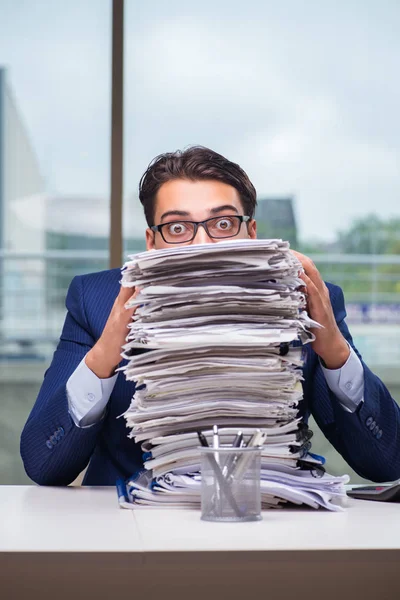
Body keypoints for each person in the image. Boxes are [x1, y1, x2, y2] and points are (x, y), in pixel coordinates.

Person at [21, 146, 400, 485]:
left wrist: (334, 349)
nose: (202, 246)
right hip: (132, 530)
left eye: (222, 224)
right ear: (152, 242)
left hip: (269, 525)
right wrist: (106, 352)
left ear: (251, 233)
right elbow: (44, 464)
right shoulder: (95, 301)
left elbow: (386, 463)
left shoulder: (307, 301)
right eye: (178, 227)